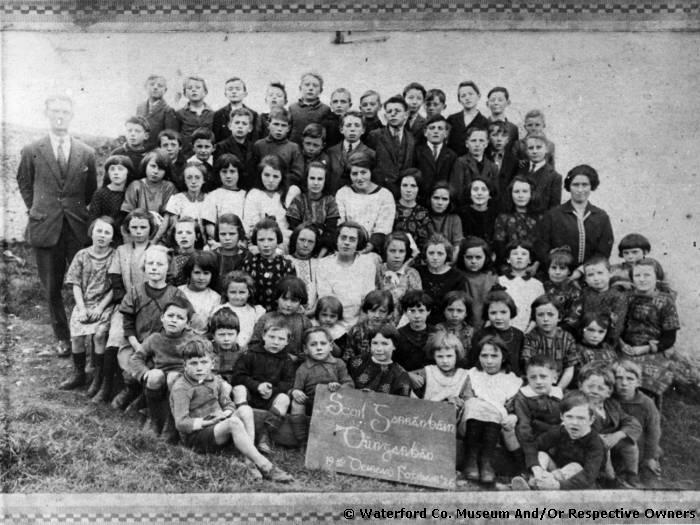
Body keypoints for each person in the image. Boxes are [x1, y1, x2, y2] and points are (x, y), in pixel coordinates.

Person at [17, 94, 98, 357]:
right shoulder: (32, 150)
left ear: (72, 115)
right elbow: (25, 184)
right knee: (52, 286)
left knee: (82, 284)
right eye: (55, 111)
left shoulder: (86, 152)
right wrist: (38, 209)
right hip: (46, 226)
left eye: (64, 111)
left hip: (75, 227)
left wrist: (72, 211)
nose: (60, 116)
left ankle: (84, 334)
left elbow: (90, 191)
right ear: (47, 114)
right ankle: (62, 336)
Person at [170, 339, 293, 482]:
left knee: (245, 409)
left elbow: (228, 404)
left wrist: (225, 414)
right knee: (233, 423)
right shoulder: (182, 388)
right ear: (184, 365)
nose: (199, 368)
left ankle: (249, 462)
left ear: (212, 363)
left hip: (218, 427)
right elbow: (181, 423)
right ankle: (265, 466)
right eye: (193, 363)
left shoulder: (214, 380)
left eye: (204, 362)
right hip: (197, 436)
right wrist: (205, 422)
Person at [100, 209, 155, 405]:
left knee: (148, 342)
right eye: (134, 227)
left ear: (150, 229)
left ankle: (139, 390)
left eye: (143, 227)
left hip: (151, 307)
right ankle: (107, 385)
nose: (139, 231)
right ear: (128, 229)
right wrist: (126, 303)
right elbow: (115, 280)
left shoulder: (157, 250)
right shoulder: (122, 251)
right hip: (125, 306)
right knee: (115, 336)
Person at [130, 296, 201, 439]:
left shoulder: (192, 339)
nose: (174, 320)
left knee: (173, 377)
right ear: (162, 318)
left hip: (183, 382)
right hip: (160, 381)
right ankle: (154, 419)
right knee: (155, 375)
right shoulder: (155, 338)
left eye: (180, 318)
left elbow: (203, 359)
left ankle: (171, 422)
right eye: (170, 316)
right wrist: (145, 373)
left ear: (187, 323)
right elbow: (137, 358)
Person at [61, 217, 116, 391]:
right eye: (99, 231)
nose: (102, 235)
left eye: (107, 232)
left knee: (99, 335)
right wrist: (82, 308)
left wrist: (100, 308)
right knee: (77, 336)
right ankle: (79, 374)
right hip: (84, 303)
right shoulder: (82, 255)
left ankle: (98, 376)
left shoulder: (115, 256)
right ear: (91, 232)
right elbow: (75, 283)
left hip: (105, 304)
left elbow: (116, 287)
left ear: (112, 237)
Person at [510, 392, 605, 490]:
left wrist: (558, 485)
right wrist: (536, 467)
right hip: (555, 475)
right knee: (542, 455)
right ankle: (535, 481)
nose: (574, 423)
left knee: (575, 466)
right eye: (569, 417)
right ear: (562, 417)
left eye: (581, 418)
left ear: (591, 420)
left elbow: (588, 476)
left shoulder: (595, 443)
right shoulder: (560, 431)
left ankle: (536, 486)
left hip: (580, 484)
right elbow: (534, 446)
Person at [461, 335, 522, 484]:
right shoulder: (473, 375)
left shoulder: (511, 379)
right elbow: (467, 398)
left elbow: (512, 406)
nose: (489, 361)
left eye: (494, 356)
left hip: (495, 425)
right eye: (484, 355)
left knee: (493, 410)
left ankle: (485, 461)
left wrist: (512, 416)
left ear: (504, 357)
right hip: (471, 421)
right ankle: (471, 459)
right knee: (474, 404)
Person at [231, 317, 295, 454]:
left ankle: (264, 436)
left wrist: (273, 390)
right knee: (238, 389)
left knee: (284, 398)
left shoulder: (287, 360)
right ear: (263, 335)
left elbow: (288, 383)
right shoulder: (250, 354)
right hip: (250, 396)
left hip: (270, 400)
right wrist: (257, 386)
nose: (275, 342)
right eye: (272, 337)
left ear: (287, 342)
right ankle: (242, 431)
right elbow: (237, 377)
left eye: (281, 339)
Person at [619, 259, 679, 400]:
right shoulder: (626, 298)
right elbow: (617, 326)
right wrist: (622, 344)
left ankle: (648, 410)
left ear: (656, 277)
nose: (642, 279)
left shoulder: (665, 301)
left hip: (651, 350)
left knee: (647, 374)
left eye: (647, 275)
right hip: (624, 347)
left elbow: (669, 338)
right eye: (638, 275)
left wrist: (644, 349)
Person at [577, 362, 642, 487]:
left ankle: (631, 476)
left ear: (609, 392)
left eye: (601, 388)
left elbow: (632, 422)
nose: (595, 391)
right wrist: (599, 440)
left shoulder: (611, 405)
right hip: (584, 445)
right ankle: (610, 479)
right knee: (603, 449)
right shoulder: (577, 404)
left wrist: (618, 435)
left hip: (608, 442)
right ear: (580, 386)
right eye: (590, 386)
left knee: (629, 444)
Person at [535, 164, 613, 267]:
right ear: (569, 186)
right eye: (575, 185)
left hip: (590, 273)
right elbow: (542, 248)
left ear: (591, 186)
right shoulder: (553, 215)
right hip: (560, 273)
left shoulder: (601, 216)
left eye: (585, 185)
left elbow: (603, 251)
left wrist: (581, 271)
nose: (580, 190)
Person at [290, 327, 354, 443]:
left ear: (330, 346)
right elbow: (296, 388)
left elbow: (349, 384)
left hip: (333, 405)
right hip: (311, 404)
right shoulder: (303, 369)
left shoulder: (338, 364)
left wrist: (339, 387)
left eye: (323, 344)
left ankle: (332, 438)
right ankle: (302, 439)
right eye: (313, 345)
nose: (319, 348)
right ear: (306, 349)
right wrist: (296, 392)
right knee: (296, 404)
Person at [316, 222, 379, 328]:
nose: (346, 243)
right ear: (337, 240)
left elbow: (368, 298)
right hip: (331, 321)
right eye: (343, 238)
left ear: (358, 243)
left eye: (352, 239)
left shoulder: (367, 264)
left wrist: (358, 327)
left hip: (359, 321)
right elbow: (326, 298)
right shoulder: (324, 264)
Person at [513, 355, 564, 480]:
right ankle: (535, 478)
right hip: (536, 444)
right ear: (527, 379)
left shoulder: (560, 396)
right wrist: (532, 458)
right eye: (533, 377)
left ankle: (553, 477)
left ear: (554, 378)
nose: (538, 381)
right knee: (539, 461)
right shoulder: (523, 397)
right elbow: (524, 427)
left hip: (559, 445)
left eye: (543, 376)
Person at [336, 150, 396, 254]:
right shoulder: (343, 193)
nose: (359, 178)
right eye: (354, 174)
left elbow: (383, 229)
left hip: (372, 250)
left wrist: (368, 248)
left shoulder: (385, 195)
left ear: (371, 172)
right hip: (346, 245)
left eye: (363, 172)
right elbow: (340, 223)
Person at [614, 360, 662, 484]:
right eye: (618, 378)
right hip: (617, 446)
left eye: (630, 379)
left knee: (648, 480)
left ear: (638, 382)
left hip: (641, 448)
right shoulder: (609, 400)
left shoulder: (646, 403)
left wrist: (649, 457)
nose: (624, 383)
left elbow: (653, 432)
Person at [247, 276, 313, 362]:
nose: (288, 304)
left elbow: (311, 346)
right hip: (267, 363)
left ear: (300, 301)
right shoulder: (266, 318)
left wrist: (298, 358)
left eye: (294, 300)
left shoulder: (304, 321)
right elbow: (254, 344)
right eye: (284, 299)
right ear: (277, 298)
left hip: (294, 366)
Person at [522, 295, 578, 390]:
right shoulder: (531, 338)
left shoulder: (567, 338)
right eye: (540, 315)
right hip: (535, 385)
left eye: (550, 314)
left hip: (560, 386)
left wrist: (558, 389)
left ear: (559, 317)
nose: (545, 319)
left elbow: (569, 369)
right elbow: (528, 366)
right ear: (534, 317)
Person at [121, 150, 177, 245]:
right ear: (145, 165)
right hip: (137, 232)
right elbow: (128, 217)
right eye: (153, 166)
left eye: (160, 168)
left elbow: (167, 219)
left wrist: (155, 241)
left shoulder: (168, 187)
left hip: (160, 235)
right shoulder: (136, 186)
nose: (155, 171)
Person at [366, 95, 416, 199]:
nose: (393, 114)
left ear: (406, 114)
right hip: (379, 193)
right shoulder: (375, 136)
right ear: (385, 115)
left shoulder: (412, 139)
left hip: (402, 195)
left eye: (397, 111)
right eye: (389, 111)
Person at [241, 218, 296, 312]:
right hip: (253, 312)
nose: (266, 244)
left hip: (278, 313)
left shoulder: (286, 265)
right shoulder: (249, 263)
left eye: (270, 239)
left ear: (278, 240)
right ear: (255, 241)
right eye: (261, 240)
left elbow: (290, 293)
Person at [285, 162, 340, 255]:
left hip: (323, 247)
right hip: (300, 245)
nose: (315, 183)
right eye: (312, 178)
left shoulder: (330, 201)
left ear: (325, 181)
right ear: (306, 179)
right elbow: (295, 228)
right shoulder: (298, 200)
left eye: (320, 179)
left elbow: (331, 230)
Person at [242, 155, 295, 246]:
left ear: (282, 177)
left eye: (275, 176)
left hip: (284, 241)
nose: (271, 180)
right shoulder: (254, 194)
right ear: (260, 174)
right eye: (266, 175)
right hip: (260, 240)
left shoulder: (287, 194)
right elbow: (251, 225)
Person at [348, 322, 412, 397]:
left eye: (384, 344)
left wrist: (376, 398)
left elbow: (402, 404)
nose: (379, 349)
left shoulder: (400, 375)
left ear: (394, 346)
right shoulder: (356, 362)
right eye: (375, 343)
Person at [471, 286, 524, 376]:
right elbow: (474, 363)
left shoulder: (518, 335)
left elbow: (520, 364)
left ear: (511, 311)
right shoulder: (480, 335)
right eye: (493, 313)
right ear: (487, 314)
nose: (498, 317)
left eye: (503, 312)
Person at [415, 234, 466, 326]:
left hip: (446, 324)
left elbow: (459, 305)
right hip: (419, 321)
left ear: (447, 255)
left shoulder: (457, 276)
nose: (435, 257)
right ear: (425, 254)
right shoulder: (417, 272)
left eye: (440, 253)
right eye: (431, 253)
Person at [411, 330, 469, 409]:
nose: (445, 361)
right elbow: (401, 379)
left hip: (452, 419)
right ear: (433, 356)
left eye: (449, 356)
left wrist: (459, 402)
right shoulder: (428, 372)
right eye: (440, 356)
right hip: (426, 416)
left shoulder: (464, 376)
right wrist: (408, 376)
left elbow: (468, 402)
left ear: (457, 355)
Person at [492, 176, 541, 268]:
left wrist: (535, 265)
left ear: (532, 194)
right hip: (508, 268)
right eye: (516, 191)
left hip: (535, 268)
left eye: (525, 191)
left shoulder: (541, 218)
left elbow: (543, 247)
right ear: (511, 194)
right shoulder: (502, 218)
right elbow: (500, 248)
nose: (520, 195)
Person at [497, 240, 545, 332]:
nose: (519, 257)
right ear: (508, 259)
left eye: (524, 254)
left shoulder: (537, 285)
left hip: (529, 330)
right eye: (515, 254)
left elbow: (539, 311)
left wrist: (529, 330)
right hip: (504, 329)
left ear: (530, 259)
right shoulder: (499, 281)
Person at [88, 155, 135, 245]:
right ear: (108, 173)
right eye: (112, 169)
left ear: (128, 172)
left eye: (120, 169)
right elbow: (93, 220)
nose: (116, 173)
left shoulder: (131, 193)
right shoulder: (100, 194)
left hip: (126, 238)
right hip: (105, 237)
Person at [377, 232, 422, 324]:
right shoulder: (377, 271)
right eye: (392, 251)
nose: (397, 256)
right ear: (386, 251)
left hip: (404, 326)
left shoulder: (411, 274)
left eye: (401, 251)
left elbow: (415, 305)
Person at [449, 127, 499, 210]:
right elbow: (456, 191)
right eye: (473, 140)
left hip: (486, 210)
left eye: (481, 140)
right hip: (465, 210)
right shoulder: (460, 162)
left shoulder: (493, 167)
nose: (477, 144)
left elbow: (495, 193)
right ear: (467, 143)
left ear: (486, 143)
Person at [325, 111, 374, 194]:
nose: (352, 129)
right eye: (348, 125)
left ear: (363, 130)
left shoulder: (370, 154)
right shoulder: (331, 152)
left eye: (357, 125)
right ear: (341, 129)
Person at [214, 271, 265, 351]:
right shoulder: (220, 309)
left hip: (247, 350)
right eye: (233, 292)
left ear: (249, 293)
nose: (237, 296)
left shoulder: (255, 311)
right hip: (226, 349)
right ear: (226, 293)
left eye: (242, 292)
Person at [456, 236, 498, 330]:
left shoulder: (491, 277)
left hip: (487, 323)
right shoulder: (457, 276)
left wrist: (489, 320)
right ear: (462, 257)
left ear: (486, 257)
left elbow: (496, 302)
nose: (473, 261)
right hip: (461, 324)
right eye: (469, 257)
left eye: (478, 257)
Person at [413, 115, 457, 203]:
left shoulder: (452, 155)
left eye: (440, 128)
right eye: (432, 128)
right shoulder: (416, 152)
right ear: (425, 132)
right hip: (421, 199)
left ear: (446, 133)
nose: (436, 131)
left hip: (441, 201)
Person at [202, 154, 247, 239]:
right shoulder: (213, 196)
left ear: (239, 173)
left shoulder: (246, 196)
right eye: (224, 171)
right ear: (218, 173)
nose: (228, 176)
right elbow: (209, 227)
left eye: (232, 171)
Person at [342, 290, 394, 362]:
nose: (377, 315)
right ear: (366, 310)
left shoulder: (391, 331)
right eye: (373, 311)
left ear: (389, 313)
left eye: (382, 311)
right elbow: (348, 355)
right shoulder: (356, 330)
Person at [177, 251, 221, 335]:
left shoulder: (215, 298)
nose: (201, 278)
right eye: (197, 273)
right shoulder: (178, 292)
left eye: (206, 273)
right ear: (189, 273)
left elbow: (213, 328)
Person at [214, 108, 257, 190]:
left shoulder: (254, 148)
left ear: (250, 128)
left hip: (248, 190)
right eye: (237, 123)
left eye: (244, 124)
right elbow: (218, 173)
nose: (240, 126)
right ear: (230, 126)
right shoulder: (221, 147)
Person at [395, 290, 436, 373]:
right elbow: (394, 363)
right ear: (405, 312)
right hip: (405, 379)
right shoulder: (398, 335)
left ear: (428, 311)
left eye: (421, 311)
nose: (417, 316)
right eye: (412, 311)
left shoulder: (436, 333)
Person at [392, 169, 432, 253]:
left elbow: (425, 242)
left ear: (418, 188)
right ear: (399, 187)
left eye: (413, 186)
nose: (408, 190)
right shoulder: (391, 208)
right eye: (405, 185)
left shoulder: (423, 212)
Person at [446, 80, 489, 156]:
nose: (467, 98)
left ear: (478, 96)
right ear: (459, 100)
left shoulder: (485, 122)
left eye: (471, 94)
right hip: (452, 163)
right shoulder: (452, 119)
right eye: (463, 95)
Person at [212, 76, 260, 144]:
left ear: (245, 93)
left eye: (238, 89)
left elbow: (255, 138)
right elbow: (216, 138)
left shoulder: (253, 114)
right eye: (230, 89)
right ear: (225, 94)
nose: (234, 92)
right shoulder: (219, 114)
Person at [136, 75, 178, 151]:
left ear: (165, 90)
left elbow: (170, 136)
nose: (155, 87)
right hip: (140, 149)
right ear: (145, 87)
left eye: (160, 86)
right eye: (152, 84)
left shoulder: (168, 110)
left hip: (157, 151)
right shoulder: (140, 107)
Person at [286, 223, 321, 313]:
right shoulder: (285, 260)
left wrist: (313, 310)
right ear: (295, 240)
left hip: (313, 313)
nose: (305, 245)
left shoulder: (319, 264)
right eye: (302, 240)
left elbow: (322, 292)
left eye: (310, 241)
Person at [288, 72, 331, 145]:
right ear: (300, 88)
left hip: (314, 149)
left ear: (321, 90)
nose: (311, 88)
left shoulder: (325, 109)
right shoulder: (292, 108)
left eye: (315, 86)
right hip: (294, 149)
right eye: (307, 85)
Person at [175, 75, 214, 155]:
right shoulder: (179, 114)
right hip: (186, 155)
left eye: (198, 87)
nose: (193, 90)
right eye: (189, 88)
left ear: (205, 92)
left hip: (206, 154)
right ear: (185, 93)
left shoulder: (212, 114)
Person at [486, 120, 520, 213]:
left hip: (505, 208)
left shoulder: (514, 162)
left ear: (508, 139)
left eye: (503, 136)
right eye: (495, 135)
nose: (499, 139)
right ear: (488, 138)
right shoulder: (483, 157)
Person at [427, 182, 463, 260]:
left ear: (450, 201)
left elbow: (457, 246)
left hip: (449, 261)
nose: (440, 203)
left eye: (444, 199)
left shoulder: (454, 219)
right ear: (430, 199)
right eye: (436, 198)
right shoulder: (424, 216)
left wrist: (450, 264)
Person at [435, 290, 474, 362]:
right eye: (450, 310)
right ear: (444, 311)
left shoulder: (471, 332)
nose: (454, 315)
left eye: (459, 311)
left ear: (466, 313)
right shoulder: (438, 329)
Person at [208, 307, 244, 385]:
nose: (226, 339)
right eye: (221, 334)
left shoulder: (242, 353)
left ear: (237, 334)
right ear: (213, 335)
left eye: (230, 334)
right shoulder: (207, 351)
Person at [210, 214, 250, 283]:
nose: (227, 238)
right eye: (223, 234)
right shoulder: (212, 256)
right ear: (217, 234)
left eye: (232, 234)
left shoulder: (246, 256)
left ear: (239, 233)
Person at [485, 86, 519, 151]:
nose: (496, 103)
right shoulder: (482, 125)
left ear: (508, 102)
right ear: (487, 104)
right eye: (492, 100)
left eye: (500, 100)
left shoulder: (513, 128)